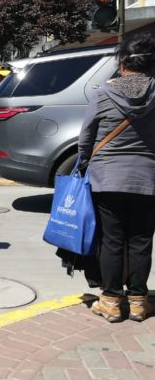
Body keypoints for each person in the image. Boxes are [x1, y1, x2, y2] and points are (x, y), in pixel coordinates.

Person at [78, 35, 155, 323]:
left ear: (122, 64)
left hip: (107, 177)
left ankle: (110, 300)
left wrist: (85, 162)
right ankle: (138, 302)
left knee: (112, 240)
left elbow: (86, 138)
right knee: (141, 241)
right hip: (148, 178)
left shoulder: (102, 94)